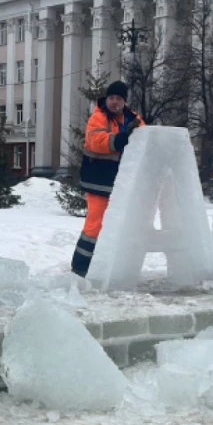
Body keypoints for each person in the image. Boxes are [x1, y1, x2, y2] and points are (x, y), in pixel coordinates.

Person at [71, 80, 143, 277]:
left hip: (120, 183)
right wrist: (123, 137)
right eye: (111, 98)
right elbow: (97, 142)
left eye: (118, 98)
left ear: (124, 101)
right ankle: (80, 268)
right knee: (95, 225)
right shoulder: (98, 117)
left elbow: (145, 139)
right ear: (106, 99)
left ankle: (108, 265)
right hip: (98, 180)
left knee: (119, 225)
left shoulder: (134, 119)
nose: (114, 102)